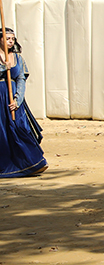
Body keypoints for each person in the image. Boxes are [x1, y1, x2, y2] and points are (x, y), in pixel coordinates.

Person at [0, 28, 46, 177]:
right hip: (0, 99)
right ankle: (8, 165)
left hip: (13, 99)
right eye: (7, 38)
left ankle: (33, 162)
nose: (11, 41)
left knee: (20, 128)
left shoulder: (18, 58)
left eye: (13, 38)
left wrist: (17, 99)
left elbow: (21, 79)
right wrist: (2, 68)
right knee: (3, 132)